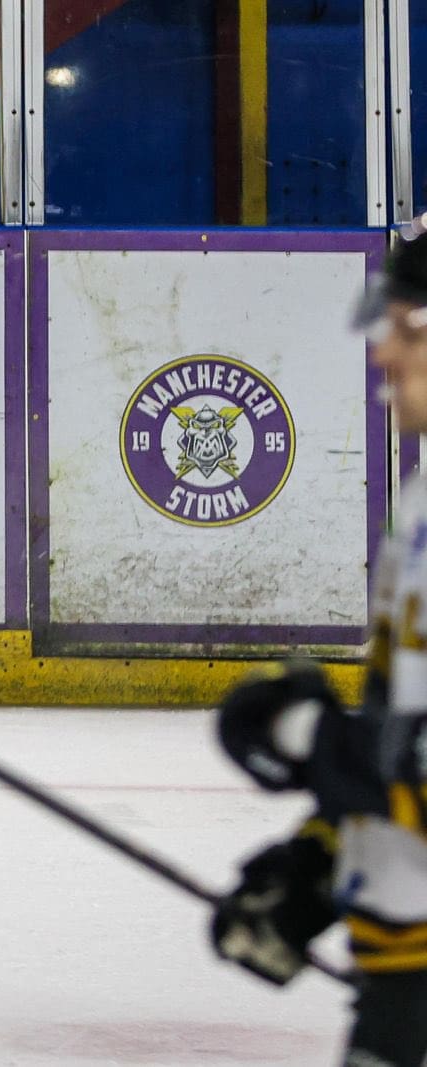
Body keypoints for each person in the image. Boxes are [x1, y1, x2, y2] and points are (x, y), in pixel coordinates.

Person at [210, 223, 427, 1066]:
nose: (384, 356)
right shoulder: (418, 505)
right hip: (402, 978)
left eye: (408, 329)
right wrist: (320, 864)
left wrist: (317, 742)